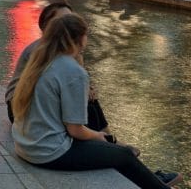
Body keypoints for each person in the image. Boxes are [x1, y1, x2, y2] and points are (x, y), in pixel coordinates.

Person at [11, 13, 183, 188]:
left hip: (25, 146)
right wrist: (98, 136)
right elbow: (75, 130)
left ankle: (155, 180)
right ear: (80, 38)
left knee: (112, 149)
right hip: (49, 152)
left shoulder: (41, 60)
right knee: (125, 155)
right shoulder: (72, 71)